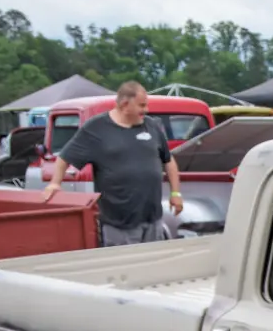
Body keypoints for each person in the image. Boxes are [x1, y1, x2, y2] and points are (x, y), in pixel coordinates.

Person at [43, 81, 184, 247]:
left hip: (153, 219)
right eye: (141, 105)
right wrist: (54, 183)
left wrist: (176, 194)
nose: (146, 110)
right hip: (118, 224)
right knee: (124, 270)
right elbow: (65, 157)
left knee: (152, 267)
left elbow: (168, 161)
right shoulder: (96, 128)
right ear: (125, 104)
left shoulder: (151, 126)